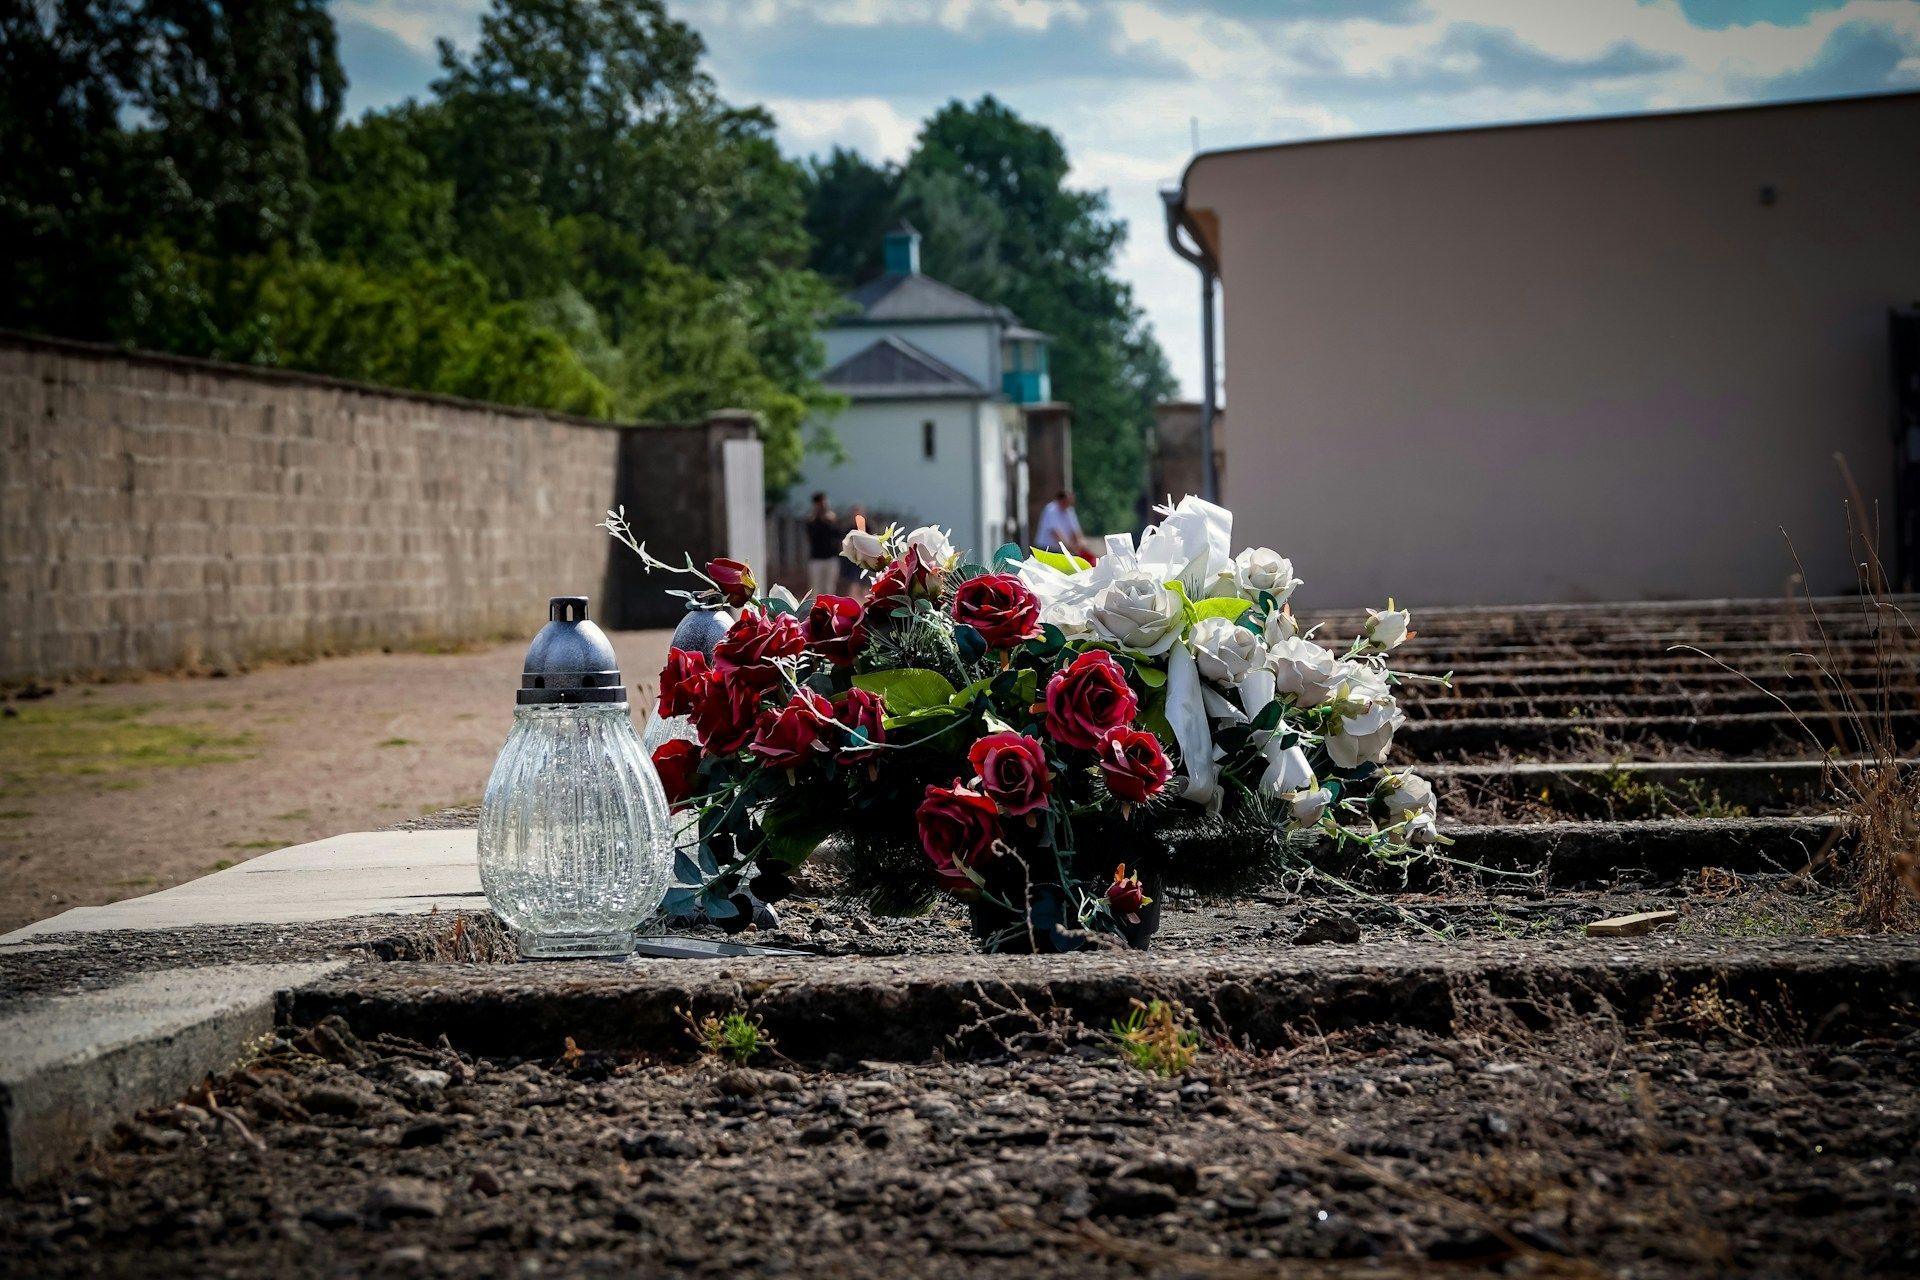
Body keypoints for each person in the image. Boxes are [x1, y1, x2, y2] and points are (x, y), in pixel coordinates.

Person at [1035, 489, 1092, 560]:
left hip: (1059, 549)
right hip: (1046, 549)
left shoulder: (1069, 510)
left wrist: (1080, 543)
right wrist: (1068, 546)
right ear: (1062, 500)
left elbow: (1075, 530)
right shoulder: (1051, 509)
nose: (1070, 502)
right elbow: (1054, 532)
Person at [804, 492, 840, 598]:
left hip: (831, 557)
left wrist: (829, 521)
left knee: (830, 588)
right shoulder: (811, 520)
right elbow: (810, 537)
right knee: (815, 588)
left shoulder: (832, 519)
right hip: (816, 558)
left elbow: (837, 535)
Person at [839, 504, 869, 600]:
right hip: (853, 560)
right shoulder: (848, 529)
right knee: (855, 581)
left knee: (865, 583)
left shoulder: (868, 527)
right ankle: (853, 600)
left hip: (866, 559)